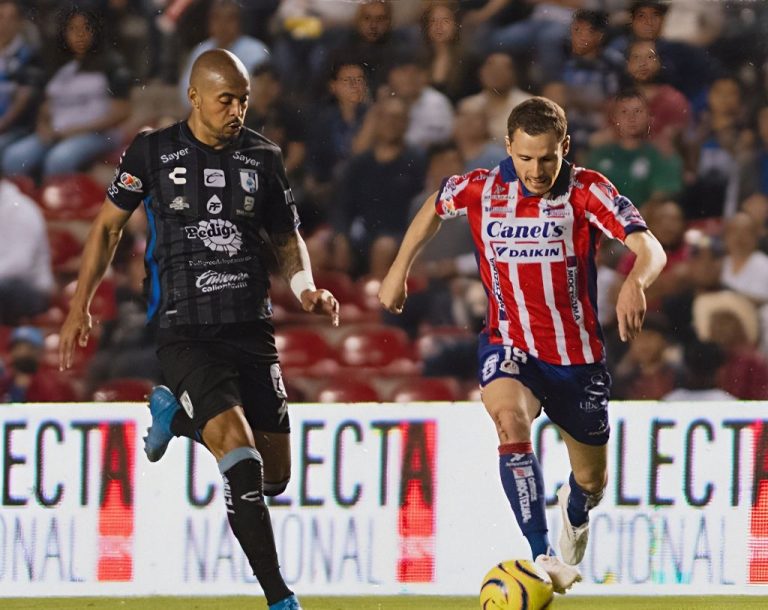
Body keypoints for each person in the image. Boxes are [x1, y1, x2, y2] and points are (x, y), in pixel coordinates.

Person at [58, 49, 339, 610]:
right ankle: (280, 598)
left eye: (243, 101)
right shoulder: (152, 152)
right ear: (194, 97)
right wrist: (79, 305)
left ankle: (177, 417)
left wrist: (305, 286)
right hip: (185, 328)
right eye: (225, 100)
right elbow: (108, 228)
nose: (236, 110)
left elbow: (286, 237)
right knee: (240, 457)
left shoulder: (264, 157)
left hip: (251, 327)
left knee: (275, 477)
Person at [379, 97, 666, 593]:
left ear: (565, 147)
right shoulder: (482, 187)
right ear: (508, 146)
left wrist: (635, 281)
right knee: (509, 421)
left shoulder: (587, 190)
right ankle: (542, 553)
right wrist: (398, 270)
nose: (536, 170)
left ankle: (575, 510)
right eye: (526, 157)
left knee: (591, 481)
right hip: (508, 342)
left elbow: (650, 247)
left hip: (576, 361)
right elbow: (434, 206)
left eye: (548, 158)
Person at [1, 6, 131, 179]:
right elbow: (46, 106)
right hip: (58, 132)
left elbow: (121, 112)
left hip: (97, 133)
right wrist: (43, 126)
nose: (80, 35)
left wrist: (74, 130)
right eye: (73, 29)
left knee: (59, 159)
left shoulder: (112, 64)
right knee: (15, 157)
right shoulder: (59, 65)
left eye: (86, 28)